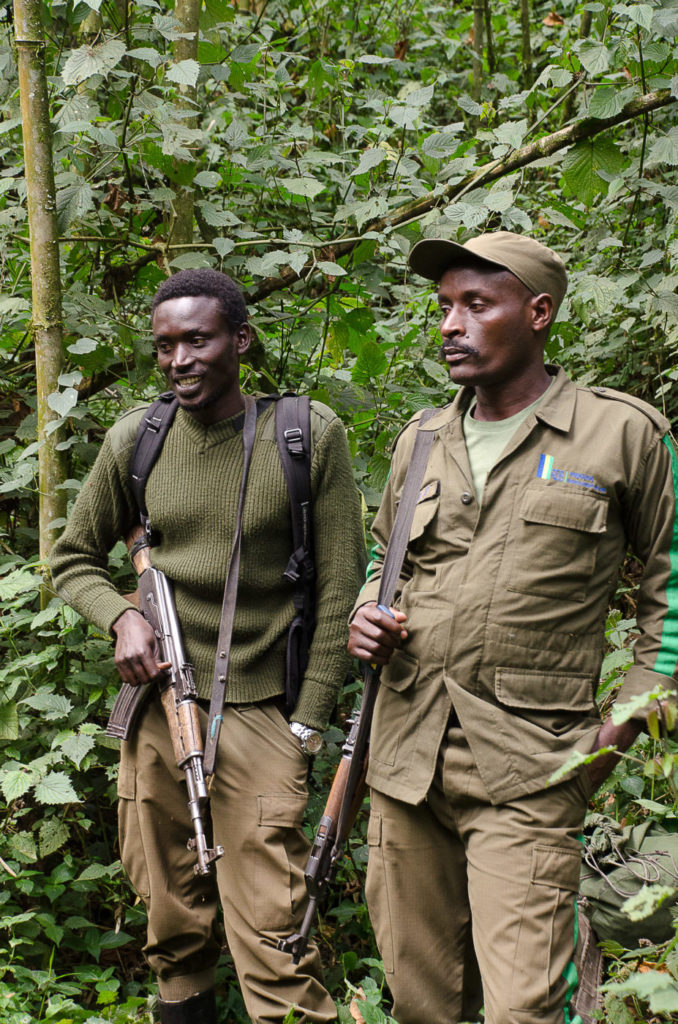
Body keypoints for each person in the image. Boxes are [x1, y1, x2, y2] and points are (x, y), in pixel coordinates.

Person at [348, 231, 678, 1024]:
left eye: (474, 304)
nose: (449, 326)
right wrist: (366, 613)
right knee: (424, 1004)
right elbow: (381, 563)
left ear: (538, 313)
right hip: (405, 762)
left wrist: (619, 731)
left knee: (525, 1008)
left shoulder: (623, 434)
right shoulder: (420, 440)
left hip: (534, 766)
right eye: (443, 308)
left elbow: (673, 599)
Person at [50, 269, 365, 1024]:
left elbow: (340, 591)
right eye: (165, 346)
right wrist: (123, 619)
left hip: (263, 711)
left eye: (198, 340)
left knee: (273, 928)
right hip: (161, 709)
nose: (179, 359)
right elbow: (71, 559)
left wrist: (306, 725)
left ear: (240, 340)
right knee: (170, 917)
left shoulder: (304, 434)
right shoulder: (139, 437)